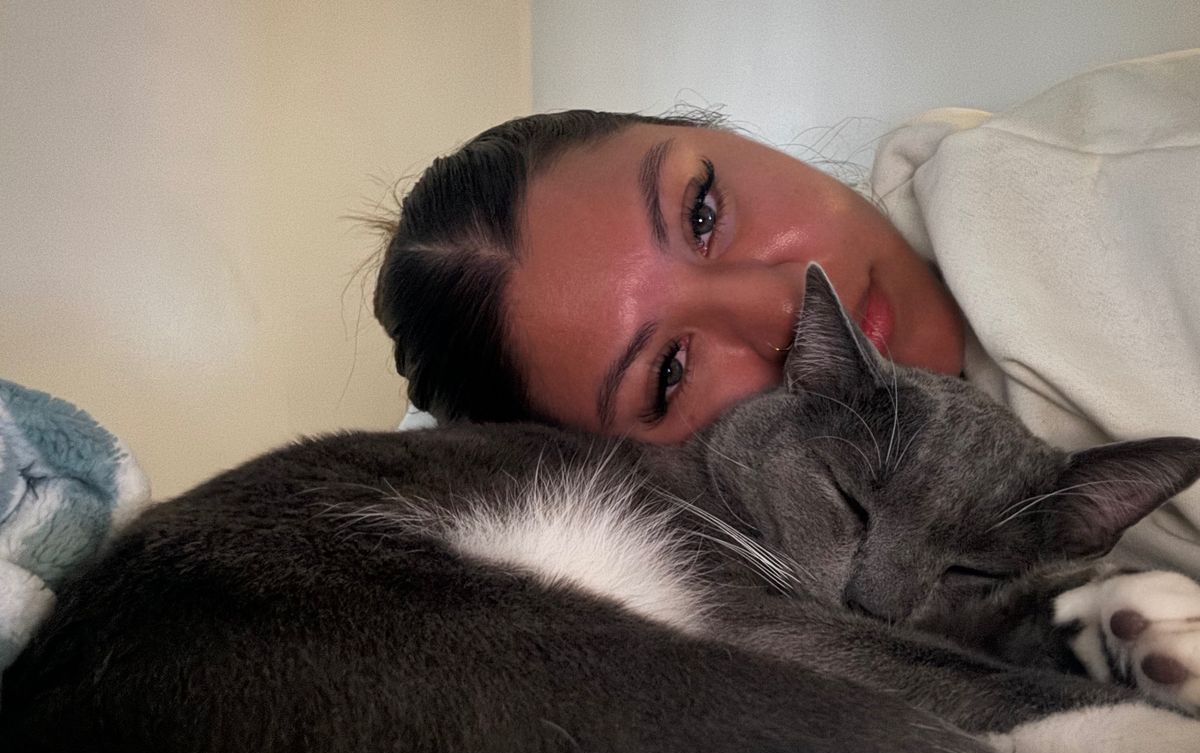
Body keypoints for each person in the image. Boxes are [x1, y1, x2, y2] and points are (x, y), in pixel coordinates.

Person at [373, 50, 1200, 576]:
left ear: (735, 135)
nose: (785, 304)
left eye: (702, 212)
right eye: (668, 371)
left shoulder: (1146, 187)